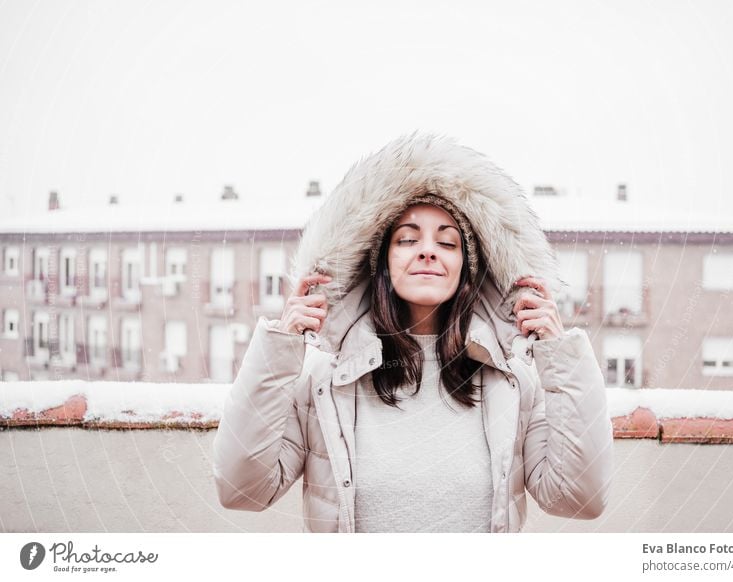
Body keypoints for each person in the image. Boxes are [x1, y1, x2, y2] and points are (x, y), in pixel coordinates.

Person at [212, 133, 614, 533]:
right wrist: (280, 347)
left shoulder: (512, 380)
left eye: (448, 242)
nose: (428, 251)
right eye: (407, 239)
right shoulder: (324, 379)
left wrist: (560, 354)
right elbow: (243, 489)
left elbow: (578, 498)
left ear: (467, 270)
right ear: (382, 263)